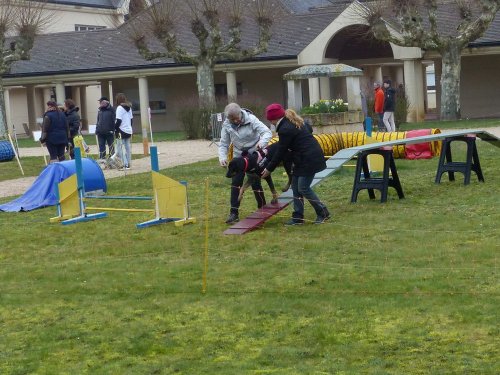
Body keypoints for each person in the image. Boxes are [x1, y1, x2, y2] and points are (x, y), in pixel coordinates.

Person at [261, 103, 330, 225]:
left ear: (273, 119)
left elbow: (280, 151)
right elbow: (309, 128)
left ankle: (323, 212)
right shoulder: (292, 121)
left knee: (303, 187)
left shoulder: (285, 129)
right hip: (303, 158)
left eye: (270, 120)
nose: (270, 123)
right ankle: (298, 217)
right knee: (295, 186)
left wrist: (269, 169)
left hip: (309, 159)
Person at [218, 102, 273, 224]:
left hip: (254, 154)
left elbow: (267, 132)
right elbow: (224, 143)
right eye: (232, 119)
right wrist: (222, 157)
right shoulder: (227, 124)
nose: (235, 121)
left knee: (255, 181)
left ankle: (262, 209)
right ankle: (233, 213)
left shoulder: (251, 119)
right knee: (236, 183)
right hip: (239, 156)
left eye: (236, 118)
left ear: (240, 113)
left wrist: (262, 143)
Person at [114, 93, 134, 170]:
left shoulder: (119, 108)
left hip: (121, 130)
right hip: (128, 130)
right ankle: (129, 163)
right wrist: (129, 127)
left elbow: (118, 120)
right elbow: (131, 120)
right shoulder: (129, 108)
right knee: (128, 147)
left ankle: (124, 164)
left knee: (120, 148)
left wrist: (115, 128)